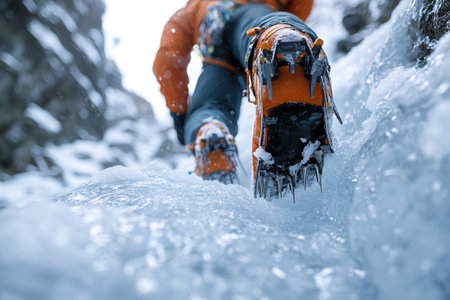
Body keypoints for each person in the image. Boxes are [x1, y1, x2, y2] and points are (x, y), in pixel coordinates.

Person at [153, 0, 342, 200]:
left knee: (210, 105)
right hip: (252, 12)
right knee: (263, 26)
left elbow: (168, 61)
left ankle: (210, 134)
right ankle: (285, 53)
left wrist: (179, 113)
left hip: (213, 37)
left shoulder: (190, 10)